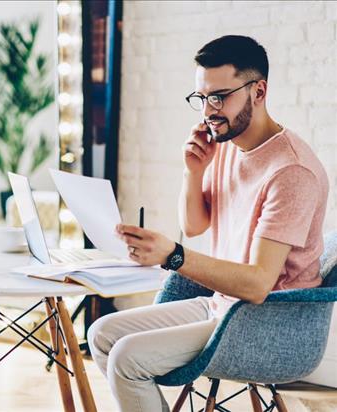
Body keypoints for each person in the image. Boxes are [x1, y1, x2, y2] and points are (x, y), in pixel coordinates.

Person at [87, 35, 329, 411]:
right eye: (201, 98)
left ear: (259, 91)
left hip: (265, 323)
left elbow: (257, 283)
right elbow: (195, 224)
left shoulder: (291, 171)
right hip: (223, 306)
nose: (208, 111)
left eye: (219, 97)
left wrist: (173, 256)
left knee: (127, 358)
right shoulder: (228, 145)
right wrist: (194, 171)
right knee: (102, 333)